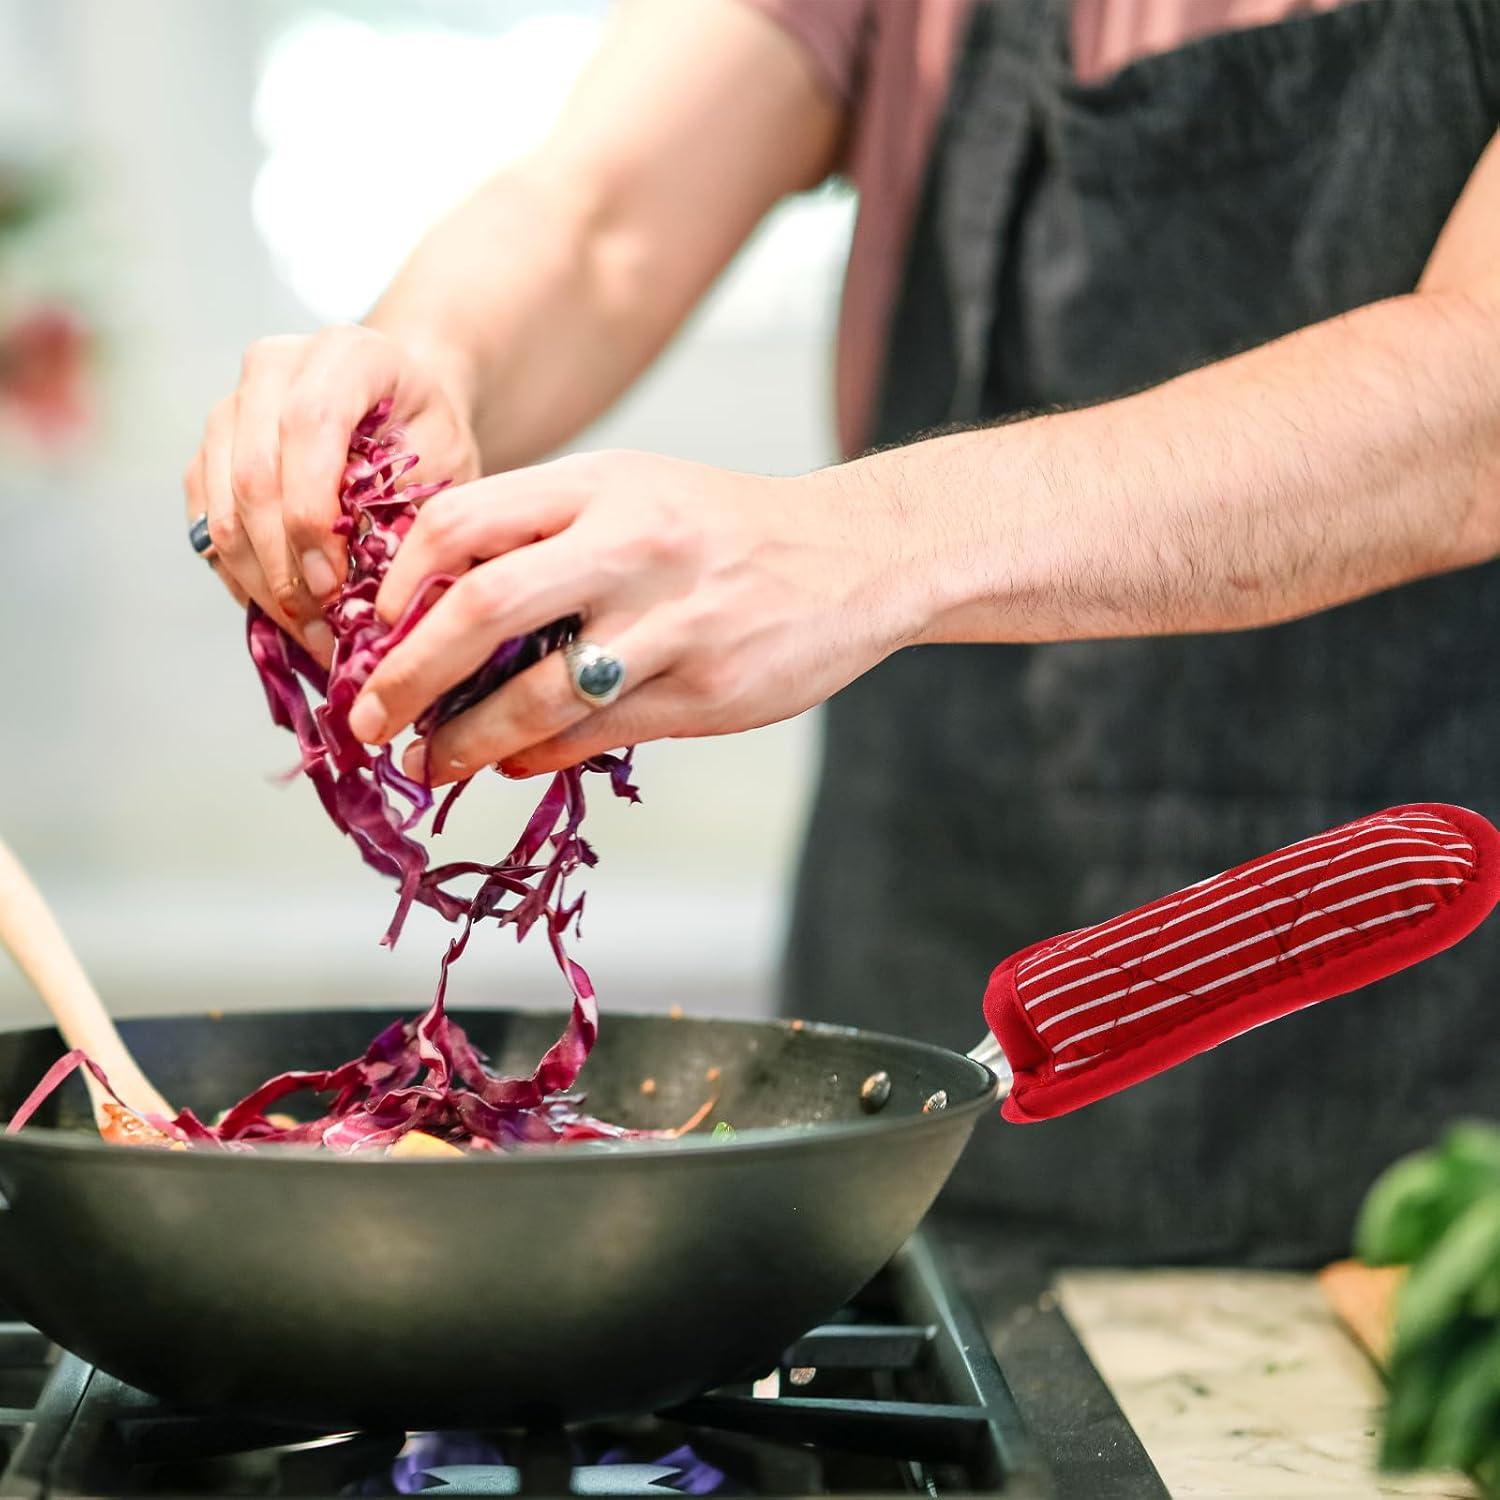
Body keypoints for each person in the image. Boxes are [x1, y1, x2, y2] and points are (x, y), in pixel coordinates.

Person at [184, 0, 1500, 1266]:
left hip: (1402, 1048)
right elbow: (597, 220)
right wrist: (421, 360)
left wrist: (861, 545)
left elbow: (1473, 399)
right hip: (923, 1006)